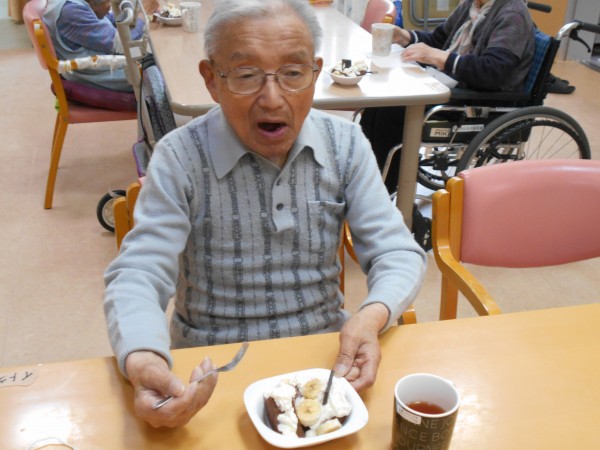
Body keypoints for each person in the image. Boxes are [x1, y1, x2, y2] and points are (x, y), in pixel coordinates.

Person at [103, 0, 426, 428]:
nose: (272, 98)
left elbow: (397, 252)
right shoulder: (178, 158)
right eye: (246, 75)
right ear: (211, 80)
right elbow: (139, 272)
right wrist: (144, 360)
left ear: (315, 72)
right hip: (211, 371)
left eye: (293, 73)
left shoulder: (346, 144)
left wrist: (371, 316)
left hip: (325, 361)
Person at [360, 0, 536, 193]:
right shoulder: (472, 5)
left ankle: (380, 191)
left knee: (394, 110)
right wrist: (406, 37)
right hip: (452, 84)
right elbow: (439, 40)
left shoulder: (512, 15)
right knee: (381, 99)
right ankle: (363, 180)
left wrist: (441, 58)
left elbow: (492, 72)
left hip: (480, 100)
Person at [42, 0, 158, 92]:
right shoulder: (71, 12)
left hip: (103, 59)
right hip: (99, 72)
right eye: (107, 1)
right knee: (157, 61)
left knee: (150, 51)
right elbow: (121, 46)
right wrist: (143, 15)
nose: (110, 5)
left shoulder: (77, 6)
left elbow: (108, 19)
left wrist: (136, 15)